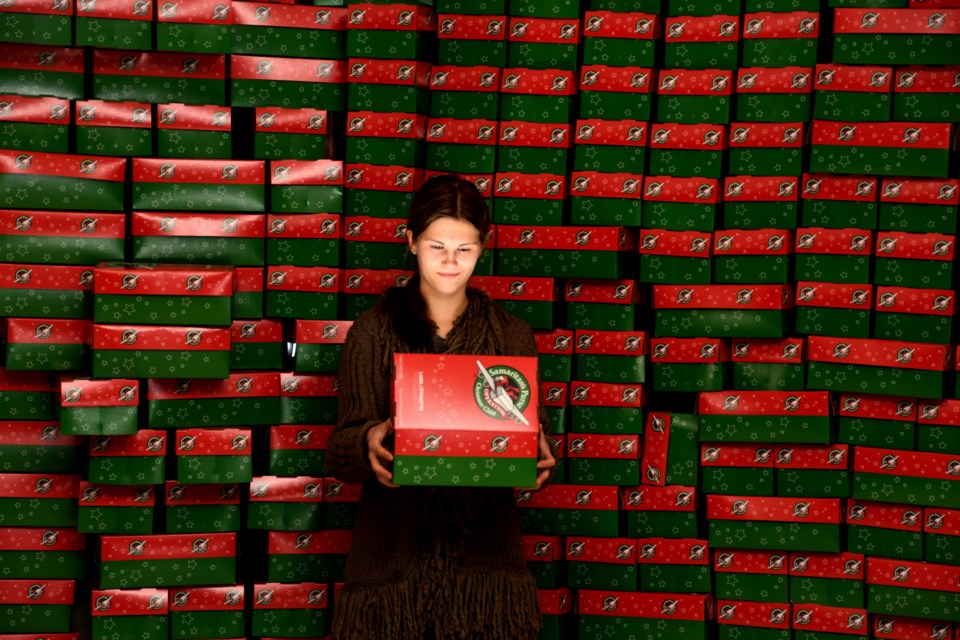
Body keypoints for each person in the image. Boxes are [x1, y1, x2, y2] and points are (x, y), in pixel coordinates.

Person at [326, 174, 557, 640]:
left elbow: (535, 435)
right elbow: (338, 450)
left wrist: (540, 453)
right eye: (436, 247)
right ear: (411, 242)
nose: (450, 262)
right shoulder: (371, 334)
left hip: (486, 570)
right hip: (391, 563)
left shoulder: (511, 335)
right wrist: (367, 439)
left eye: (464, 249)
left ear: (483, 248)